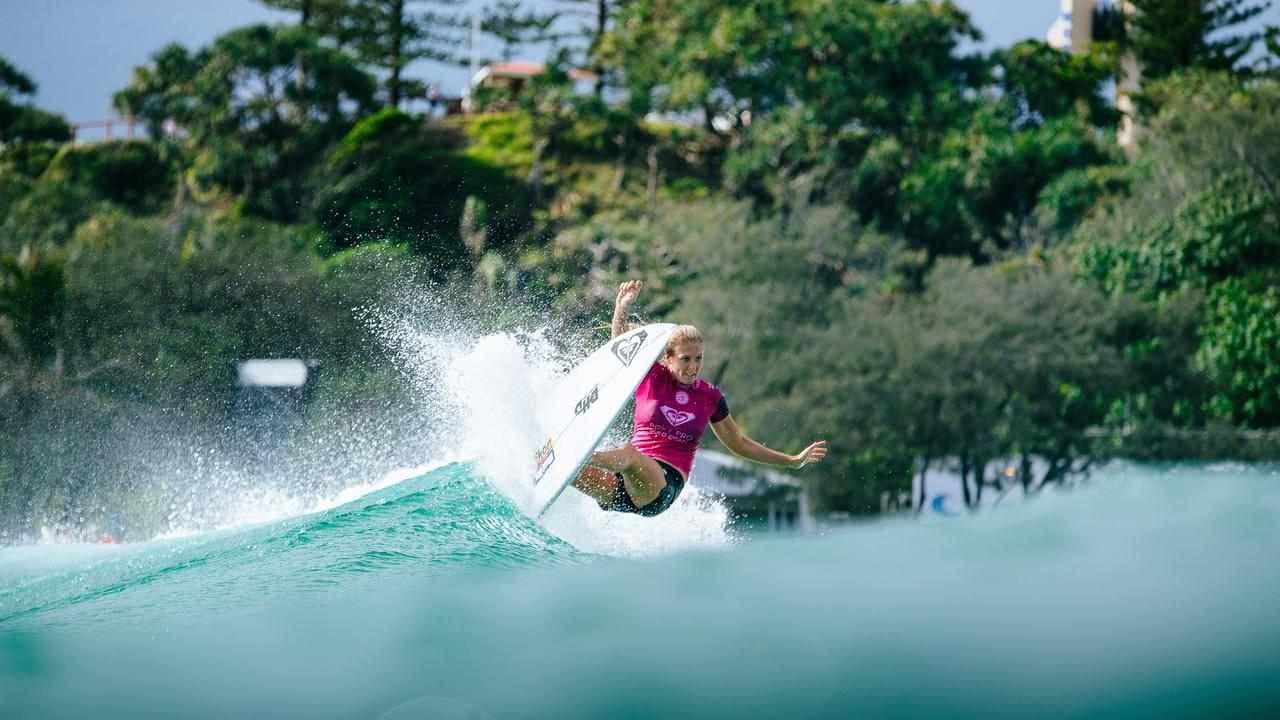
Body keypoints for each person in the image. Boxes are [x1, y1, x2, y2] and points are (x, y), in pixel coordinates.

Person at [572, 280, 829, 517]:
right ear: (668, 358)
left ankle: (579, 455)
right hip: (626, 484)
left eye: (699, 358)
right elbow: (620, 351)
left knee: (627, 455)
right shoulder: (650, 376)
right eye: (686, 359)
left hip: (662, 489)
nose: (693, 366)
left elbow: (739, 444)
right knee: (572, 475)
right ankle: (550, 464)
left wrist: (792, 461)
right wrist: (621, 310)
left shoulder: (710, 397)